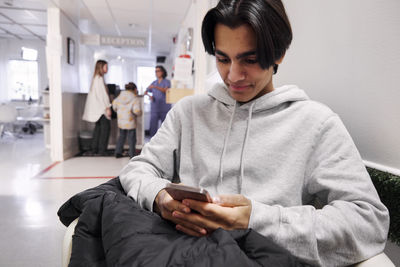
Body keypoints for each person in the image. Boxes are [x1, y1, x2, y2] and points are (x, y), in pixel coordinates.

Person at [119, 0, 389, 266]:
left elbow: (368, 222)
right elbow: (138, 169)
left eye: (250, 59)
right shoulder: (188, 112)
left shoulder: (316, 124)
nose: (234, 75)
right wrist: (160, 197)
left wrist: (254, 219)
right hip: (183, 254)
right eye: (223, 59)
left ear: (279, 53)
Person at [82, 60, 111, 155]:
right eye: (106, 67)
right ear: (101, 67)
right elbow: (102, 96)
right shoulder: (99, 79)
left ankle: (95, 149)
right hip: (101, 110)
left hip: (97, 109)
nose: (107, 69)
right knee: (105, 129)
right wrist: (107, 107)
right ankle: (102, 150)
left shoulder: (95, 78)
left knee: (98, 129)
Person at [112, 82, 142, 158]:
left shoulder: (119, 96)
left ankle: (118, 152)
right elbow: (136, 110)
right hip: (130, 121)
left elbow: (114, 106)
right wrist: (139, 113)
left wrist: (118, 111)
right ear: (135, 89)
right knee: (131, 139)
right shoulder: (134, 98)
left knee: (121, 136)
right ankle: (132, 154)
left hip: (121, 121)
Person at [145, 65, 171, 137]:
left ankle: (166, 144)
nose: (156, 73)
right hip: (155, 108)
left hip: (164, 108)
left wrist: (155, 87)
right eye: (155, 71)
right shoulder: (154, 82)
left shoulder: (167, 82)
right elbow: (146, 91)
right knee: (153, 127)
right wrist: (150, 96)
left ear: (162, 72)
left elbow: (165, 90)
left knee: (166, 127)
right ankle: (152, 144)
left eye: (158, 71)